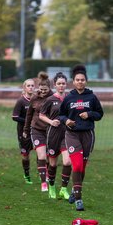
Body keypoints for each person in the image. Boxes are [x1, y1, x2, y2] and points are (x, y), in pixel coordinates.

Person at [59, 65, 104, 211]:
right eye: (77, 80)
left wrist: (89, 114)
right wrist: (66, 121)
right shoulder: (68, 98)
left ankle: (74, 190)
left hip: (87, 135)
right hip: (72, 134)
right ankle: (79, 199)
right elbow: (61, 115)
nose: (80, 82)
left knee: (82, 168)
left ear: (86, 81)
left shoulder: (92, 97)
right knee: (76, 166)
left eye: (82, 80)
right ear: (73, 81)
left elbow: (99, 114)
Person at [39, 72, 72, 200]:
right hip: (53, 135)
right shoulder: (50, 100)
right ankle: (51, 186)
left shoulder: (70, 99)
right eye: (59, 84)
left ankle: (63, 189)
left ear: (66, 84)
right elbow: (42, 115)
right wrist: (51, 122)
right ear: (55, 85)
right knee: (52, 164)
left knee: (67, 162)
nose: (61, 86)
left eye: (63, 83)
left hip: (67, 135)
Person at [23, 71, 53, 192]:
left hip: (50, 130)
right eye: (41, 89)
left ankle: (48, 175)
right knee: (41, 155)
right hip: (36, 130)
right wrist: (26, 129)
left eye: (45, 90)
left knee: (50, 157)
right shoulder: (35, 98)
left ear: (49, 88)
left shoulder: (53, 98)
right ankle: (43, 183)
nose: (43, 92)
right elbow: (29, 115)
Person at [12, 79, 35, 184]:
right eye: (28, 85)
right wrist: (27, 121)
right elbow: (15, 117)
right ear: (25, 88)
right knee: (25, 155)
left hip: (36, 131)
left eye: (32, 85)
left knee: (41, 153)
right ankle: (27, 175)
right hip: (23, 132)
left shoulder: (37, 100)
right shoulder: (21, 101)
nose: (31, 87)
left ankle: (44, 175)